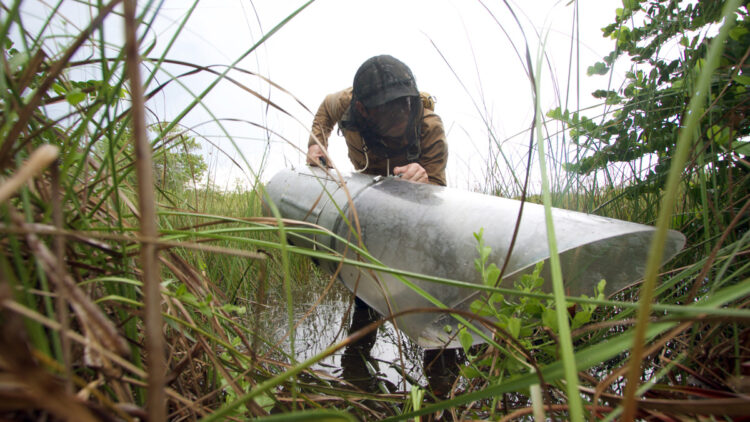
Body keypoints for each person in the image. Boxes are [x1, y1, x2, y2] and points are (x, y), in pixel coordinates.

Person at [306, 55, 460, 397]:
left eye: (407, 105)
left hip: (416, 210)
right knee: (367, 288)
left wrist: (425, 180)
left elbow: (438, 199)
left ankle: (441, 387)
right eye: (392, 109)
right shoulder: (346, 103)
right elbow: (326, 109)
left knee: (431, 293)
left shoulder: (429, 127)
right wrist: (317, 141)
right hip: (370, 202)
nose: (404, 113)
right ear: (363, 109)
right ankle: (357, 371)